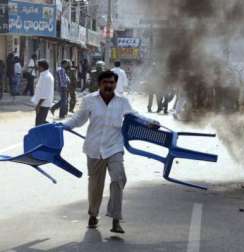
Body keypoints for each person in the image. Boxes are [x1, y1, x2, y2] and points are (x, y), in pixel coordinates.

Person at [62, 70, 158, 233]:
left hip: (114, 147)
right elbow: (78, 119)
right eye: (105, 82)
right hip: (94, 149)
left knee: (118, 179)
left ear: (115, 84)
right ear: (99, 84)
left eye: (112, 82)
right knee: (95, 186)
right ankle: (93, 214)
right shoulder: (89, 100)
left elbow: (134, 116)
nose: (109, 85)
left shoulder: (122, 101)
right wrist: (62, 125)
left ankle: (116, 219)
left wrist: (150, 123)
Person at [31, 60, 54, 126]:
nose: (37, 68)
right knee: (41, 122)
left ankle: (53, 129)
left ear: (42, 67)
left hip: (43, 104)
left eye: (38, 66)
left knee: (39, 124)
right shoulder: (43, 75)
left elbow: (45, 94)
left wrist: (38, 105)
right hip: (41, 103)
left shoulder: (47, 77)